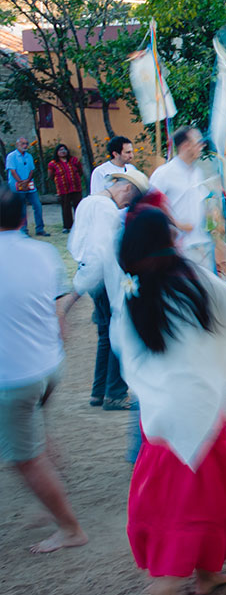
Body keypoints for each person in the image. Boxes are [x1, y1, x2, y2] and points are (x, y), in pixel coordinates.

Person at [113, 204, 226, 595]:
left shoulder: (131, 291)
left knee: (174, 496)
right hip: (199, 406)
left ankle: (206, 574)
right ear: (166, 241)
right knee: (195, 499)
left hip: (160, 412)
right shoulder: (191, 277)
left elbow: (126, 349)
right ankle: (167, 587)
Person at [0, 189, 88, 554]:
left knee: (25, 459)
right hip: (49, 364)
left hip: (15, 376)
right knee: (35, 432)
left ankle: (69, 528)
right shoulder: (44, 252)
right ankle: (48, 496)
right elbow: (59, 304)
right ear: (24, 218)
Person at [68, 167, 148, 410]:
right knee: (118, 331)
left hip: (91, 275)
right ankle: (115, 393)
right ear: (126, 188)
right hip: (104, 278)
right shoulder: (106, 209)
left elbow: (79, 244)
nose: (127, 205)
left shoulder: (87, 202)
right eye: (130, 200)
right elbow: (102, 251)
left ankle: (99, 390)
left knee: (105, 334)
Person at [149, 127, 216, 267]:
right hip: (178, 248)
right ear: (186, 146)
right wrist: (177, 224)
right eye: (198, 142)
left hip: (201, 244)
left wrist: (212, 214)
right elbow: (150, 207)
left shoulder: (197, 173)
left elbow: (201, 202)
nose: (202, 146)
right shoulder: (164, 174)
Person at [5, 139, 48, 236]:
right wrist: (21, 182)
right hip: (17, 186)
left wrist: (27, 180)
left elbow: (32, 170)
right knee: (22, 208)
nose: (25, 145)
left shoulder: (29, 156)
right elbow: (12, 171)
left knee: (37, 206)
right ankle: (23, 230)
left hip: (30, 185)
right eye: (23, 143)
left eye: (26, 144)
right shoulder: (12, 156)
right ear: (17, 144)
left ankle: (40, 229)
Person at [46, 144, 83, 232]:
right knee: (66, 207)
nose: (63, 151)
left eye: (64, 149)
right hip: (63, 189)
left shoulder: (74, 160)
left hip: (76, 187)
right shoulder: (53, 164)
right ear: (57, 152)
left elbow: (80, 171)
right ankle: (67, 227)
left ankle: (80, 225)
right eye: (60, 150)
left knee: (78, 206)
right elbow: (51, 176)